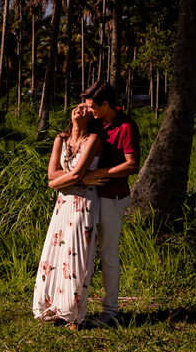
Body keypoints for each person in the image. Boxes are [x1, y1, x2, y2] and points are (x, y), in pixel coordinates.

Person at [33, 104, 103, 327]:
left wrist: (55, 183)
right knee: (56, 254)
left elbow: (75, 173)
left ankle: (73, 312)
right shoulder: (60, 139)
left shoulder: (93, 140)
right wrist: (59, 180)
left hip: (84, 202)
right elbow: (52, 173)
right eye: (78, 106)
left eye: (86, 108)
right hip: (63, 202)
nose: (80, 109)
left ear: (92, 116)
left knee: (77, 256)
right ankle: (54, 307)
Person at [79, 81, 141, 329]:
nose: (90, 110)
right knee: (86, 253)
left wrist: (101, 173)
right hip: (91, 196)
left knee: (108, 253)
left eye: (93, 106)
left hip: (112, 197)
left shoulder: (125, 126)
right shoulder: (96, 122)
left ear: (106, 104)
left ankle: (110, 311)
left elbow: (132, 164)